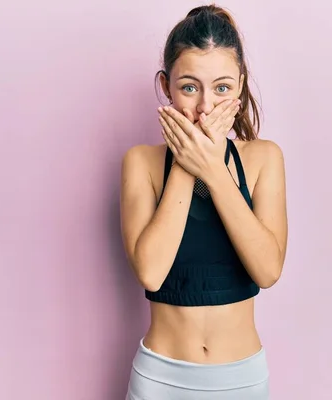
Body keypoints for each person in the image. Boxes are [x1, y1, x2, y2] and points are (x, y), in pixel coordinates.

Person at [120, 4, 288, 399]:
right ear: (166, 86)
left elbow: (267, 271)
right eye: (190, 87)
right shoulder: (141, 162)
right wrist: (186, 162)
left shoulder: (264, 158)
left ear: (241, 85)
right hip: (159, 380)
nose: (206, 107)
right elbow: (151, 273)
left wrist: (213, 168)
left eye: (222, 87)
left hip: (242, 379)